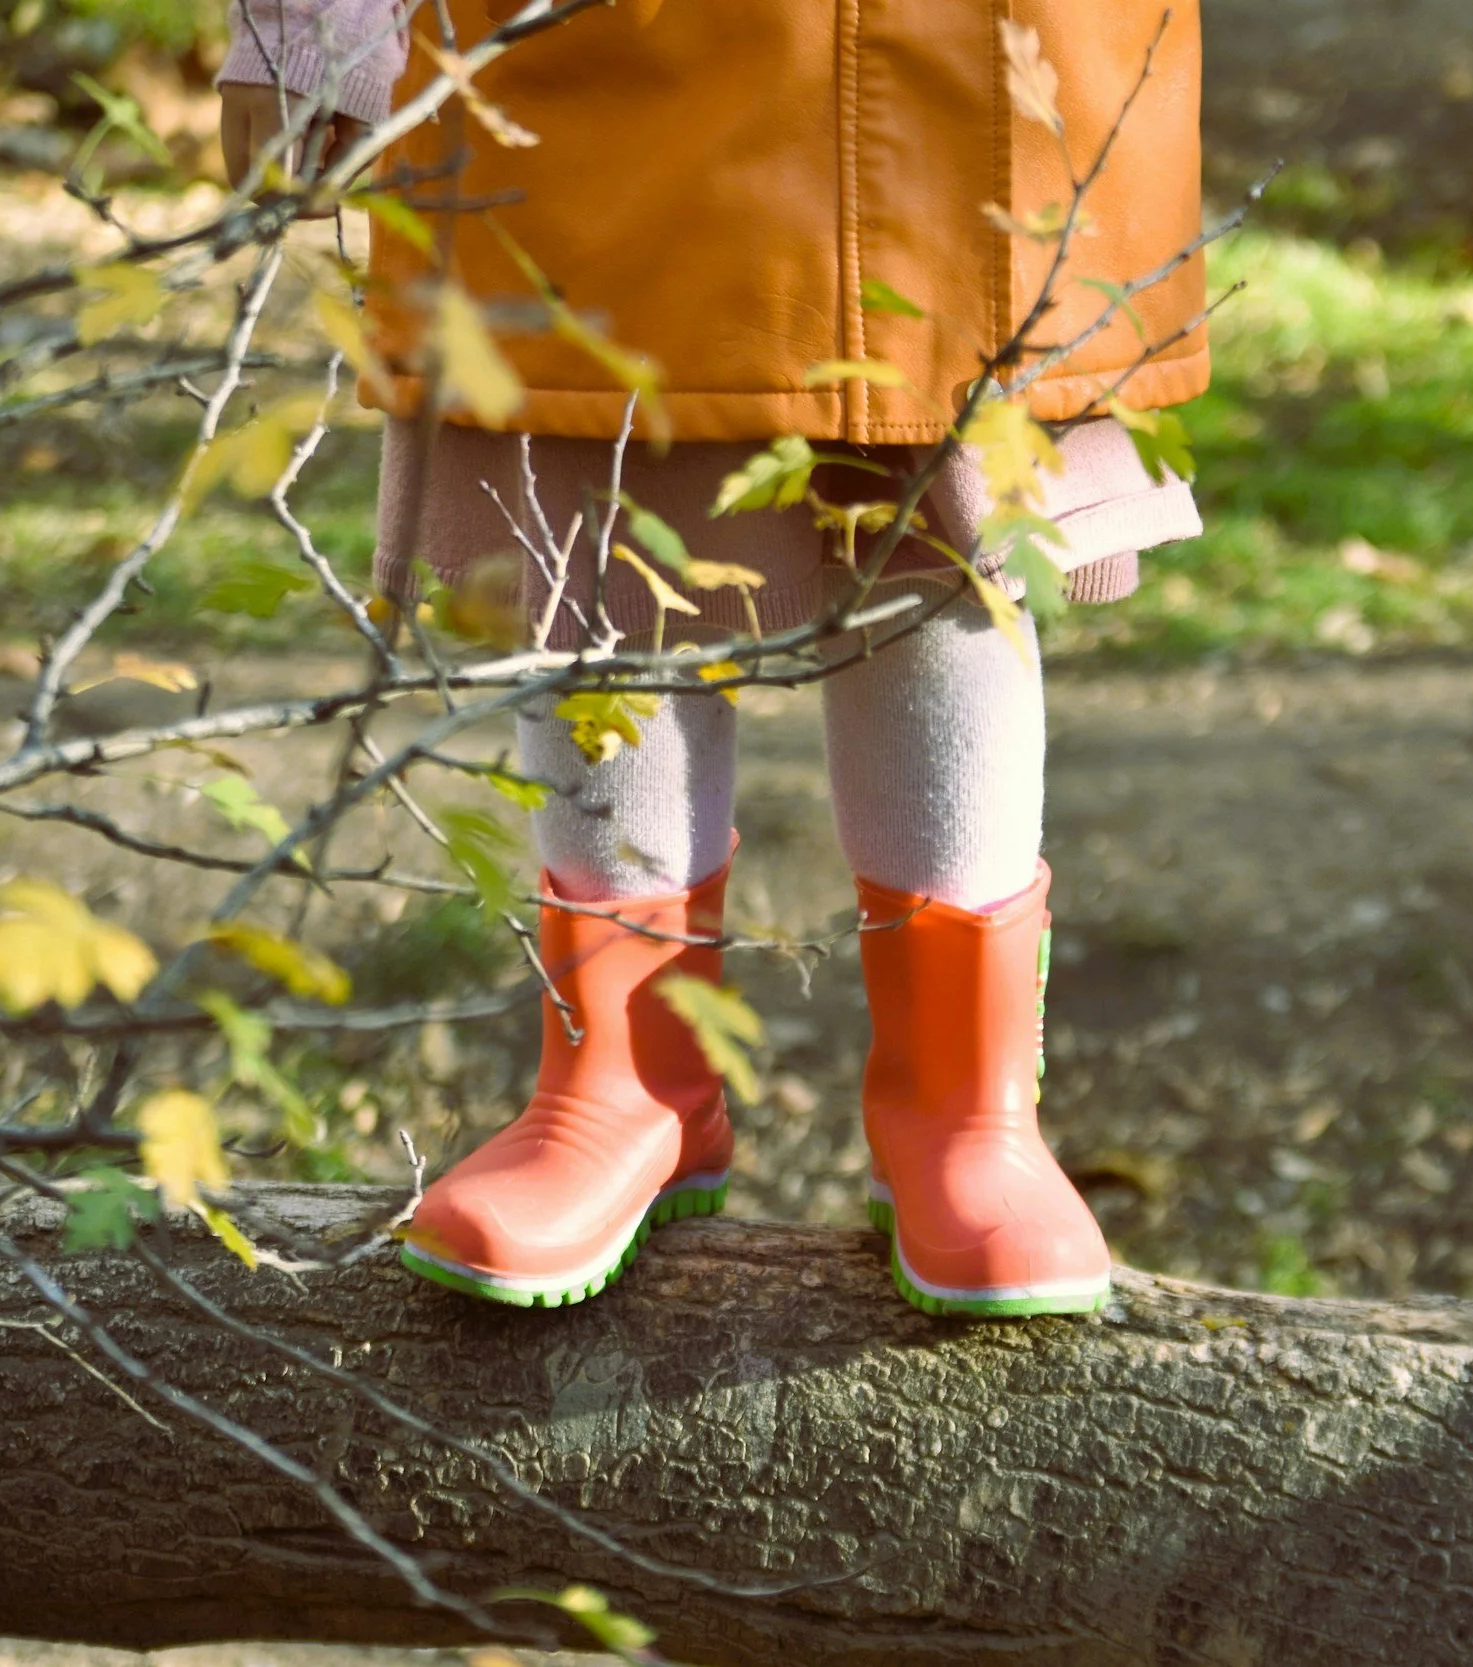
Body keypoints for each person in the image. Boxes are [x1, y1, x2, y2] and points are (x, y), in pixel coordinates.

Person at [218, 0, 1207, 1318]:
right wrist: (308, 26)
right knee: (599, 473)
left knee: (947, 483)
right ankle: (623, 1084)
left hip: (984, 57)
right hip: (593, 61)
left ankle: (968, 1109)